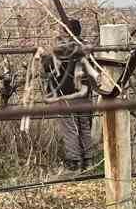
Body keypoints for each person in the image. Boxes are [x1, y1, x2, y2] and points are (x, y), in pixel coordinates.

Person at [43, 18, 101, 171]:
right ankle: (88, 160)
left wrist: (44, 56)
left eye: (60, 30)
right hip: (85, 95)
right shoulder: (86, 48)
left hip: (65, 95)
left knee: (70, 129)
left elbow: (48, 67)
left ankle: (74, 163)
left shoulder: (60, 49)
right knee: (84, 127)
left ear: (65, 32)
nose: (58, 33)